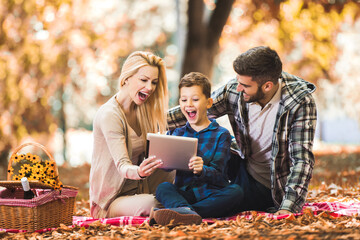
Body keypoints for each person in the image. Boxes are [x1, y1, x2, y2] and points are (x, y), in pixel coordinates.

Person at [167, 46, 317, 215]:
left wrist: (287, 208)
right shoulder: (235, 89)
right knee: (214, 141)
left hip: (270, 184)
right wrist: (152, 123)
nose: (238, 88)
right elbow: (195, 108)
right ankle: (185, 204)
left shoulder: (299, 102)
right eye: (238, 81)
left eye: (244, 85)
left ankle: (182, 212)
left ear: (267, 86)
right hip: (240, 167)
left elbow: (301, 160)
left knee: (231, 198)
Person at [89, 51, 175, 218]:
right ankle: (177, 207)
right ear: (126, 78)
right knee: (153, 203)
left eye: (154, 82)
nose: (149, 88)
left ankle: (182, 204)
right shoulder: (110, 115)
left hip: (140, 188)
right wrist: (140, 172)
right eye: (143, 80)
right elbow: (123, 165)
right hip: (111, 201)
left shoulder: (143, 109)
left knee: (179, 172)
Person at [151, 72, 243, 226]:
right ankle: (186, 212)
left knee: (236, 192)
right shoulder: (177, 133)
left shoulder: (222, 135)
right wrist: (161, 160)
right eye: (184, 99)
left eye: (195, 99)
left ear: (208, 103)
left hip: (211, 194)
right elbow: (167, 168)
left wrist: (203, 170)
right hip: (184, 193)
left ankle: (184, 213)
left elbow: (220, 175)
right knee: (163, 188)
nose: (189, 104)